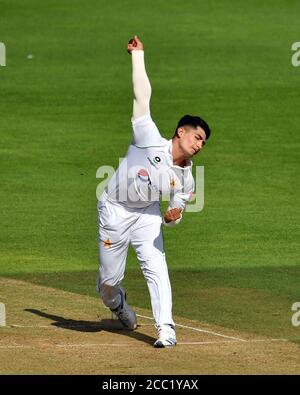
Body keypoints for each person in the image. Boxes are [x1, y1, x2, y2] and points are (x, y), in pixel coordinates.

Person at [96, 35, 211, 348]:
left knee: (157, 268)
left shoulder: (187, 177)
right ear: (180, 132)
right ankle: (117, 303)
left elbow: (175, 214)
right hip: (115, 210)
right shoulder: (148, 137)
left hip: (147, 215)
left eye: (203, 142)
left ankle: (166, 330)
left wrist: (174, 217)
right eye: (197, 137)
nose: (199, 145)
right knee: (108, 282)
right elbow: (141, 96)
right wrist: (138, 56)